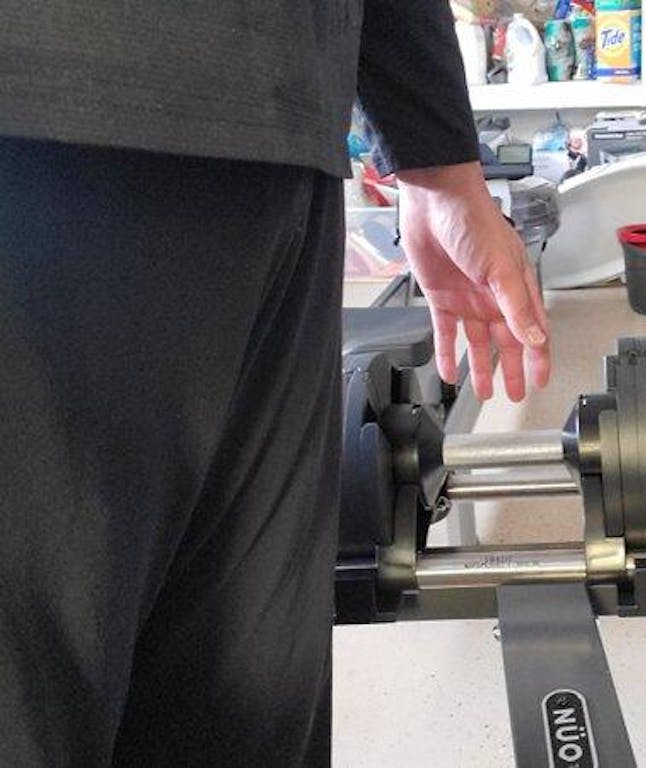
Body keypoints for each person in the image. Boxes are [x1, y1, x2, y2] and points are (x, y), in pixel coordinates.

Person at [0, 2, 550, 766]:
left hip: (277, 124)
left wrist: (440, 163)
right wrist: (439, 162)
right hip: (49, 124)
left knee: (244, 714)